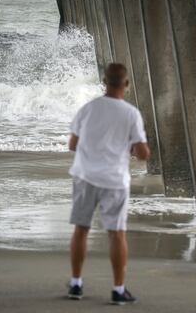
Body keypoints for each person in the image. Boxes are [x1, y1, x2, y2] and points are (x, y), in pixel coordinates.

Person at [66, 63, 150, 305]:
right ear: (126, 84)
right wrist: (136, 148)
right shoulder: (131, 113)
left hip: (84, 175)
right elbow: (143, 153)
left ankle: (76, 285)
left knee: (81, 230)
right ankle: (118, 289)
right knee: (116, 234)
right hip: (114, 180)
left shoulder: (87, 109)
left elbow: (73, 145)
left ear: (104, 81)